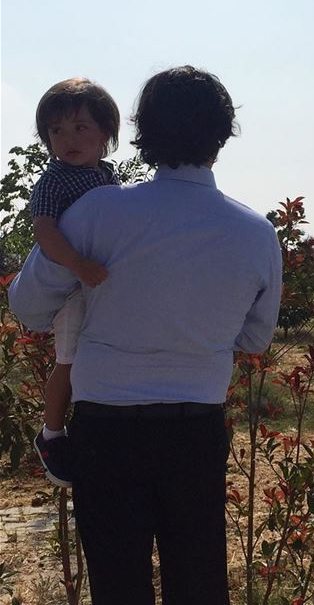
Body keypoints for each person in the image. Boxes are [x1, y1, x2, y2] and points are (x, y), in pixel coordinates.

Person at [9, 66, 282, 604]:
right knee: (199, 582)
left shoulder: (98, 211)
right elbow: (254, 341)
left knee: (118, 585)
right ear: (223, 136)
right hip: (195, 431)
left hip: (105, 433)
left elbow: (29, 307)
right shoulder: (255, 234)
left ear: (137, 131)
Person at [30, 78, 121, 488]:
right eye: (56, 131)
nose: (68, 139)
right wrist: (79, 264)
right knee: (68, 362)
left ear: (106, 134)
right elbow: (44, 232)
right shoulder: (55, 180)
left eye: (81, 128)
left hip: (96, 286)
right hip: (71, 290)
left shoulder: (107, 175)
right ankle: (50, 435)